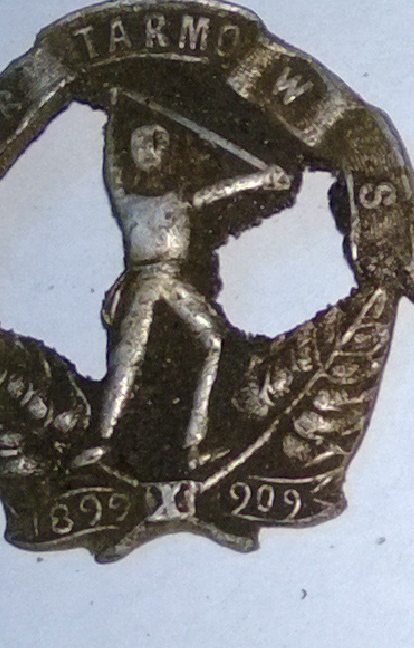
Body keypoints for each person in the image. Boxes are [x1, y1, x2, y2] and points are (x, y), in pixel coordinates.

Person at [74, 123, 291, 469]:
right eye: (142, 147)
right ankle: (102, 441)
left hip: (173, 281)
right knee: (128, 356)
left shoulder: (179, 199)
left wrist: (263, 179)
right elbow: (112, 169)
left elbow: (221, 191)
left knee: (214, 343)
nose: (150, 153)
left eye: (157, 147)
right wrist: (113, 124)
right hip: (144, 283)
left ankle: (194, 446)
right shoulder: (128, 203)